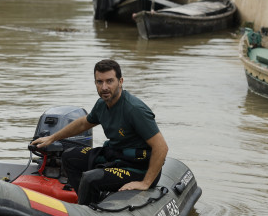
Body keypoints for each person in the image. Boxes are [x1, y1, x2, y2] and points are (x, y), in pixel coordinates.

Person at [31, 59, 169, 206]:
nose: (104, 87)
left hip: (138, 167)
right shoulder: (102, 104)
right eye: (99, 82)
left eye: (110, 81)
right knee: (70, 157)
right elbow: (84, 123)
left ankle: (87, 212)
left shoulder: (134, 109)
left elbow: (161, 147)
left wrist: (145, 183)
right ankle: (90, 203)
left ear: (120, 81)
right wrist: (52, 137)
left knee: (91, 178)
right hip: (115, 155)